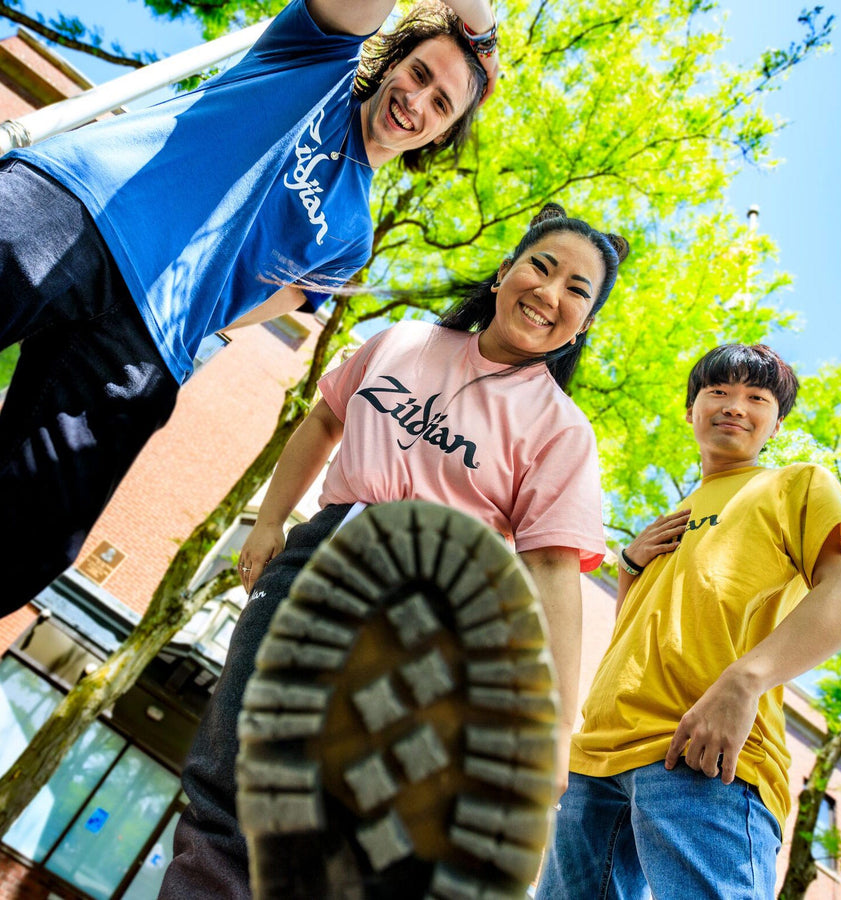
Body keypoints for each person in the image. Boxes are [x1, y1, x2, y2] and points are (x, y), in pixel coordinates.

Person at [159, 203, 629, 898]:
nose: (549, 292)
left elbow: (555, 572)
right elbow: (322, 419)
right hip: (316, 559)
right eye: (541, 265)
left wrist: (558, 728)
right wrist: (269, 523)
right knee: (228, 780)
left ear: (582, 326)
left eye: (577, 290)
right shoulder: (404, 342)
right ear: (505, 272)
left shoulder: (561, 431)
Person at [0, 0, 499, 615]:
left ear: (444, 132)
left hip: (154, 338)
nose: (417, 101)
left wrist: (187, 303)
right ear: (391, 58)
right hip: (91, 211)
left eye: (442, 103)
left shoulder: (352, 236)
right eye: (419, 73)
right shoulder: (319, 59)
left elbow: (259, 305)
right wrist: (481, 32)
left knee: (29, 545)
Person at [536, 343, 841, 900]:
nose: (734, 406)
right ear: (690, 410)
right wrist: (627, 565)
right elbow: (643, 636)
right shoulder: (670, 520)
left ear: (777, 420)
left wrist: (745, 682)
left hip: (701, 754)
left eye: (756, 397)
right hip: (593, 762)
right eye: (718, 391)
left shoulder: (797, 483)